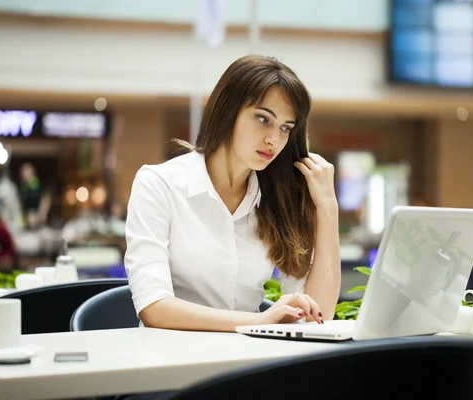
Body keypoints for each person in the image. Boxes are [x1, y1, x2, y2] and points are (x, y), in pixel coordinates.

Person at [125, 55, 341, 332]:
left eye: (285, 128)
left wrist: (327, 207)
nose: (274, 140)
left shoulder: (277, 198)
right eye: (264, 119)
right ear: (228, 111)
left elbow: (318, 313)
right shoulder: (158, 184)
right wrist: (257, 321)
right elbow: (154, 308)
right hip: (172, 359)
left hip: (248, 360)